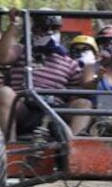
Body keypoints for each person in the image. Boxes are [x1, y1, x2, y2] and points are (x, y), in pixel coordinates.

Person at [0, 10, 94, 140]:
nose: (49, 33)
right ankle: (10, 146)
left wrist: (94, 71)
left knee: (84, 103)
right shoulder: (22, 51)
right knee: (4, 92)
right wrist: (13, 24)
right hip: (24, 109)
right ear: (34, 30)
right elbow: (3, 57)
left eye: (54, 28)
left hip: (56, 112)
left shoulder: (69, 62)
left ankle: (74, 148)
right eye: (44, 28)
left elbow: (75, 95)